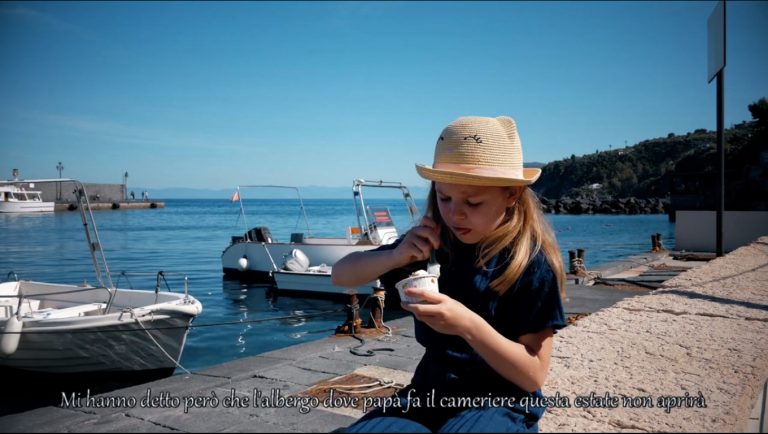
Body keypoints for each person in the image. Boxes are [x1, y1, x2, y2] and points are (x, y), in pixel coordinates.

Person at [331, 115, 566, 433]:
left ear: (511, 194)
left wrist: (467, 325)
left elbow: (533, 374)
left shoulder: (530, 263)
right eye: (444, 198)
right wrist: (394, 255)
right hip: (429, 395)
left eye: (473, 201)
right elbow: (340, 275)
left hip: (502, 401)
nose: (455, 213)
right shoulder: (432, 243)